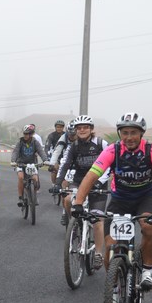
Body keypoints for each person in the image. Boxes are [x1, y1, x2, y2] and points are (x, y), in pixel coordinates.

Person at [73, 112, 152, 289]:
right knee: (110, 249)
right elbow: (91, 176)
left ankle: (146, 272)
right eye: (125, 133)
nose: (129, 137)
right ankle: (114, 291)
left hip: (145, 198)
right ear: (120, 134)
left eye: (133, 133)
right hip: (120, 200)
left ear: (141, 134)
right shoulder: (112, 150)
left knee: (148, 226)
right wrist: (77, 203)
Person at [55, 115, 109, 268]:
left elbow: (110, 163)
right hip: (79, 182)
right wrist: (58, 182)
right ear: (76, 130)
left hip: (99, 184)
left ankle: (98, 253)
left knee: (97, 220)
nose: (82, 130)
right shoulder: (74, 146)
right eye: (79, 128)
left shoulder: (100, 143)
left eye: (85, 127)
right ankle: (76, 224)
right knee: (67, 199)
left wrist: (100, 181)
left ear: (91, 129)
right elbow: (65, 163)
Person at [11, 124, 48, 207]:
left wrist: (45, 160)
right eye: (25, 133)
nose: (26, 135)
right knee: (21, 177)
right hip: (21, 164)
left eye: (28, 134)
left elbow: (41, 151)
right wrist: (13, 161)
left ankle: (34, 196)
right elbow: (15, 152)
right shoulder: (20, 142)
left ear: (32, 134)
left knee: (35, 179)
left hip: (32, 164)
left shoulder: (35, 142)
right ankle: (20, 197)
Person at [45, 119, 66, 185]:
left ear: (63, 128)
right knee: (54, 169)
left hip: (65, 155)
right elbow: (47, 147)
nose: (59, 128)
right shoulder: (51, 135)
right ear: (55, 127)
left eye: (61, 127)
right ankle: (54, 183)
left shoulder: (66, 135)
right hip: (55, 155)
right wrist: (48, 156)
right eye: (58, 127)